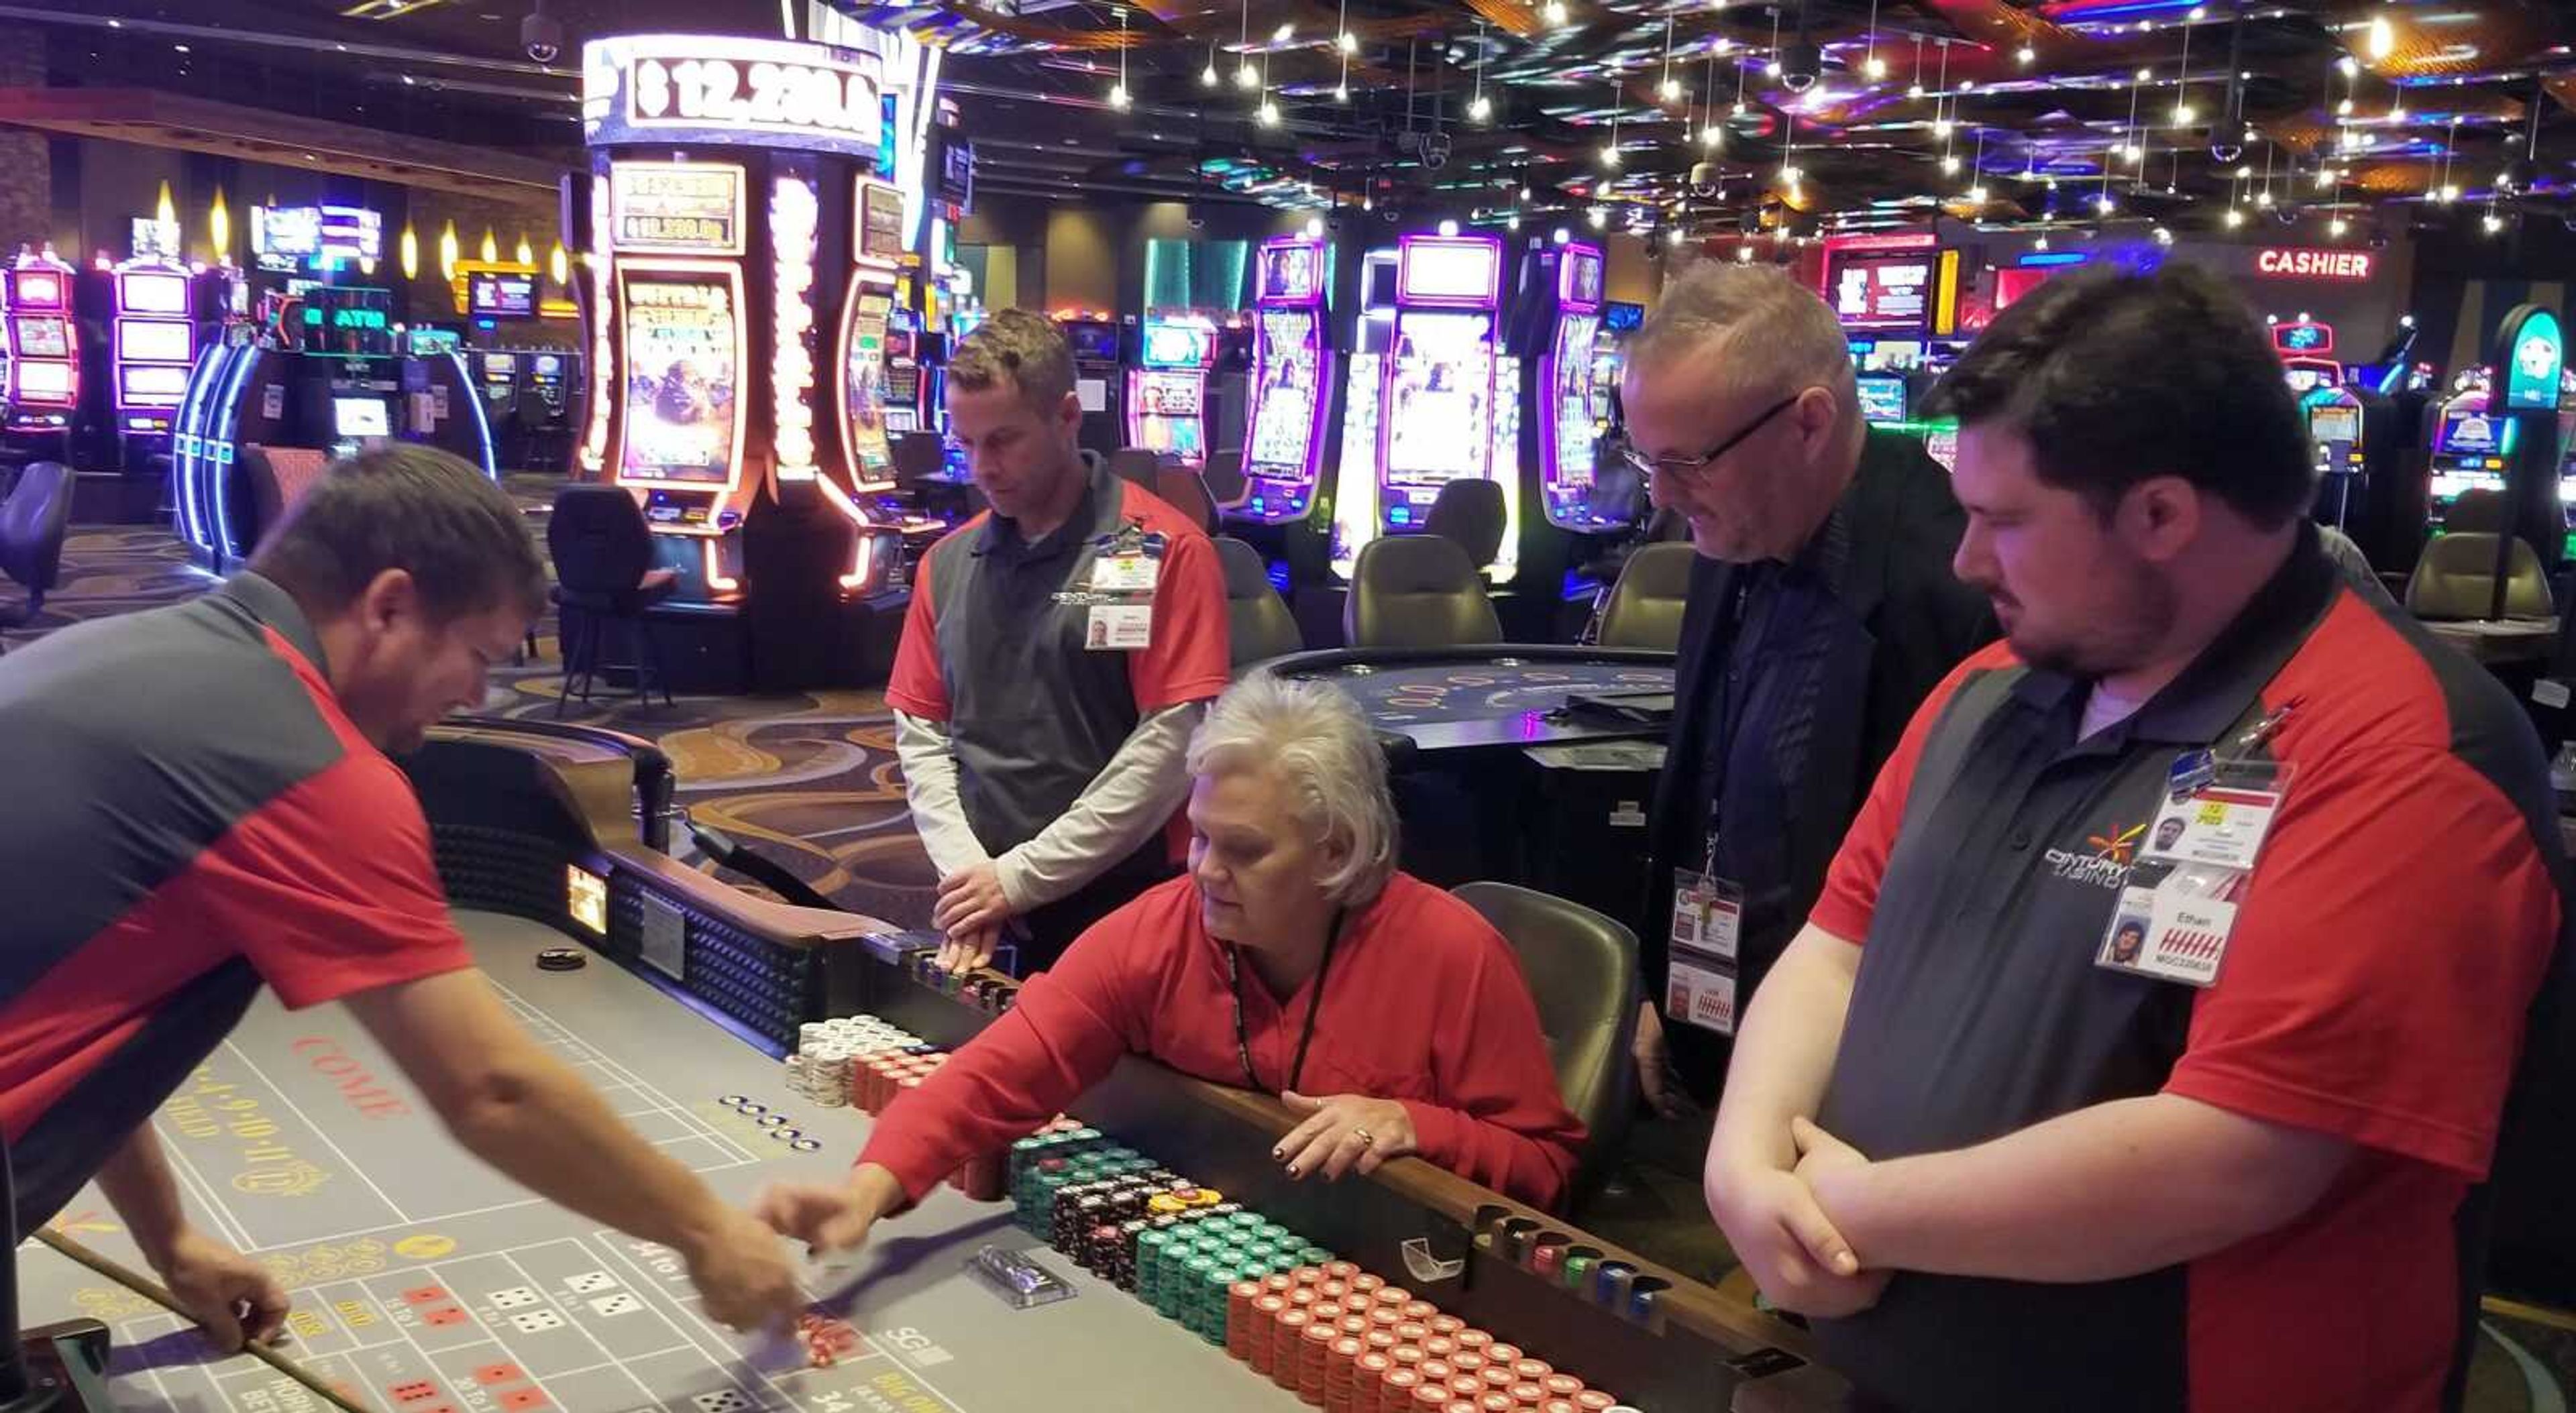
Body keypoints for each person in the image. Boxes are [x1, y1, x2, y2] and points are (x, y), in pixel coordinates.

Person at [1705, 266, 2562, 1411]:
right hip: (1889, 1363)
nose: (1964, 561)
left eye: (2004, 522)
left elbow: (2240, 1155)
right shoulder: (1989, 688)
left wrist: (1849, 1216)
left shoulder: (2404, 748)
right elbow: (1837, 947)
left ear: (2162, 514)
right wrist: (1744, 1164)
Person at [0, 449, 802, 1349]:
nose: (477, 694)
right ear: (389, 605)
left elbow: (93, 1018)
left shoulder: (130, 653)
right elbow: (492, 1089)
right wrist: (708, 1228)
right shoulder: (303, 757)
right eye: (478, 656)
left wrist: (173, 1246)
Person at [753, 675, 1585, 1253]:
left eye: (1245, 850)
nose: (1204, 870)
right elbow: (1001, 1072)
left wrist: (1418, 1124)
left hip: (1401, 1270)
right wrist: (866, 1191)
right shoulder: (1161, 928)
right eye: (1201, 836)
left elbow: (1546, 1169)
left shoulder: (1454, 953)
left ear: (1338, 849)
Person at [1621, 264, 1994, 1117]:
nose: (1662, 498)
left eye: (1686, 463)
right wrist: (1671, 985)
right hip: (1716, 1042)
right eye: (1645, 459)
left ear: (1810, 424)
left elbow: (1951, 905)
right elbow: (1706, 798)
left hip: (1857, 1080)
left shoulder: (1958, 586)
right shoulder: (1735, 542)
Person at [890, 309, 1230, 976]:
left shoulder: (1162, 548)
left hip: (1123, 895)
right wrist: (973, 878)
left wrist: (1022, 876)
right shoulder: (949, 562)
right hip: (984, 896)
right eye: (967, 442)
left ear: (1068, 416)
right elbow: (922, 733)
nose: (983, 466)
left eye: (1005, 440)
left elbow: (1167, 747)